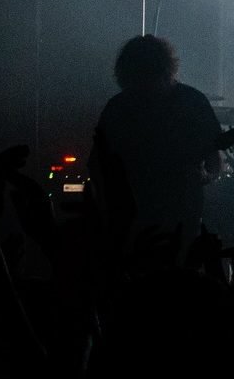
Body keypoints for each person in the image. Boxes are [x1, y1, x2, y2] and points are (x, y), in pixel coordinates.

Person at [93, 34, 222, 244]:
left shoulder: (192, 102)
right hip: (134, 213)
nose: (145, 89)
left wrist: (204, 176)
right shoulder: (119, 107)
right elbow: (98, 163)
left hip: (177, 213)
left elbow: (214, 160)